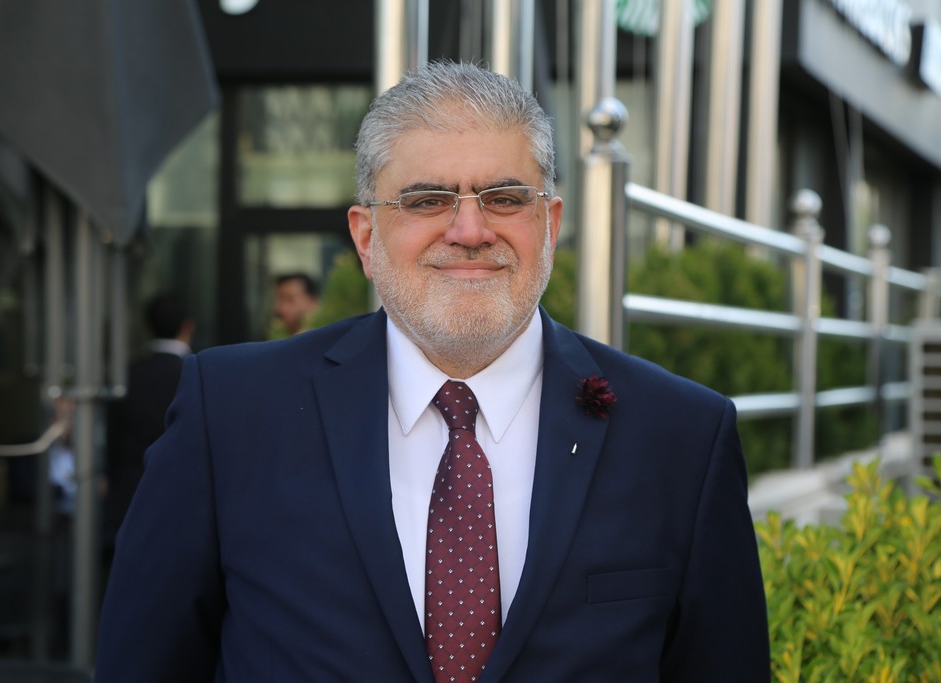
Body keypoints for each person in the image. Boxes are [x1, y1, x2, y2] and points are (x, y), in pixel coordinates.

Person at [96, 61, 769, 682]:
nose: (470, 230)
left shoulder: (681, 436)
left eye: (504, 197)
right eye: (426, 201)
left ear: (550, 224)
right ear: (365, 237)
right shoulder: (231, 413)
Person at [102, 291, 194, 557]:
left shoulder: (128, 373)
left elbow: (113, 434)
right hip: (182, 492)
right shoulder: (195, 375)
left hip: (130, 488)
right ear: (188, 326)